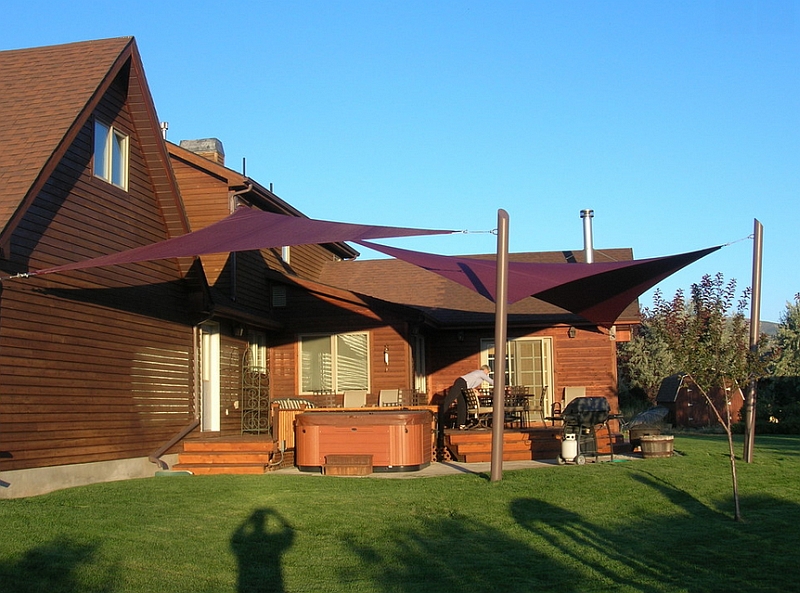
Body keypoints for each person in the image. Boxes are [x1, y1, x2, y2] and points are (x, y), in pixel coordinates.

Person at [441, 365, 494, 430]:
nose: (487, 374)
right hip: (461, 382)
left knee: (463, 405)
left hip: (465, 386)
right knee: (449, 400)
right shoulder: (480, 372)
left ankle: (461, 424)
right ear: (485, 370)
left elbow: (471, 384)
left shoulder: (480, 378)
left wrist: (473, 390)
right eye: (487, 372)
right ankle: (439, 417)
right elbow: (490, 381)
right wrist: (500, 384)